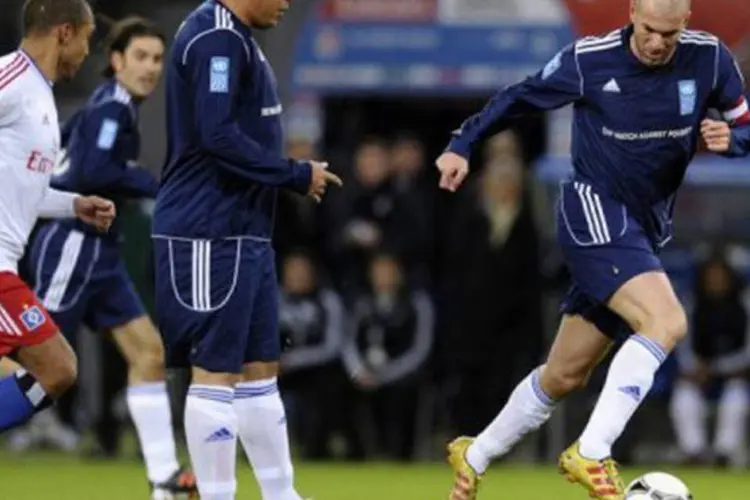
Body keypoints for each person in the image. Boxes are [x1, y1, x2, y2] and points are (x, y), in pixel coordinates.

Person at [435, 0, 750, 498]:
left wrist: (731, 141)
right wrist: (462, 144)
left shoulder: (710, 59)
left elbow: (745, 126)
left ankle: (473, 455)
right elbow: (519, 97)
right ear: (631, 14)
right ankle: (592, 450)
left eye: (669, 34)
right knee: (666, 322)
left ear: (685, 24)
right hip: (593, 210)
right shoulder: (589, 60)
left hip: (642, 232)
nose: (656, 43)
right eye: (648, 30)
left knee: (565, 373)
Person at [152, 1, 342, 499]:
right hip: (207, 230)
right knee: (215, 372)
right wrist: (294, 174)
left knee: (260, 371)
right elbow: (217, 135)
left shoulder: (236, 38)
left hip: (245, 231)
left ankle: (282, 494)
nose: (285, 3)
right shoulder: (216, 37)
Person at [23, 16, 197, 497]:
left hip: (100, 250)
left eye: (157, 59)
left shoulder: (108, 107)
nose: (150, 68)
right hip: (72, 244)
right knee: (34, 362)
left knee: (149, 352)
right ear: (116, 61)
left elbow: (71, 152)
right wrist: (154, 183)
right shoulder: (112, 109)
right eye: (140, 57)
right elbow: (94, 170)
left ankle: (164, 478)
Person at [0, 0, 115, 433]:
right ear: (64, 32)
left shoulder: (39, 94)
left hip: (7, 265)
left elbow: (20, 186)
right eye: (87, 38)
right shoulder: (11, 78)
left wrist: (73, 204)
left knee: (56, 369)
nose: (88, 52)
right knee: (57, 366)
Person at [670, 252, 750, 467]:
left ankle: (724, 453)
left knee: (736, 397)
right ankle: (694, 451)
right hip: (699, 371)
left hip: (737, 373)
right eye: (711, 277)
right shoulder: (692, 304)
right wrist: (693, 367)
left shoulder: (745, 302)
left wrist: (723, 368)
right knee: (683, 394)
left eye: (721, 277)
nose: (716, 282)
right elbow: (682, 342)